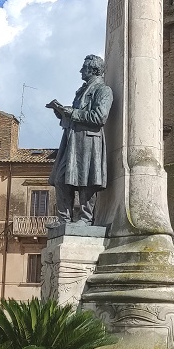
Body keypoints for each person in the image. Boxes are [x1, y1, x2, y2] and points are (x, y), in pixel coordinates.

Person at [47, 55, 114, 227]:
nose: (80, 71)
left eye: (83, 68)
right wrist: (61, 112)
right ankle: (64, 220)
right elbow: (75, 117)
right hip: (72, 140)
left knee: (87, 180)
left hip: (89, 141)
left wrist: (71, 113)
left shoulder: (103, 90)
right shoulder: (82, 91)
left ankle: (85, 218)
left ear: (93, 69)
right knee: (60, 179)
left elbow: (99, 117)